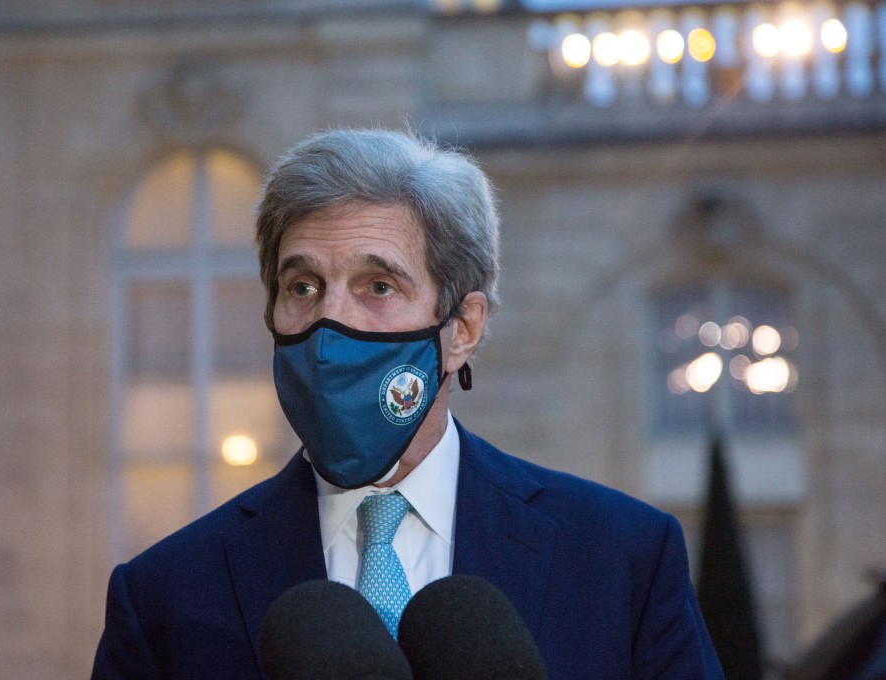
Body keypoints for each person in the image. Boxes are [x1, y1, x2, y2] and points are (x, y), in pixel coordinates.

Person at [91, 129, 724, 679]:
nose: (329, 320)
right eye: (303, 286)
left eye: (378, 286)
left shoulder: (622, 560)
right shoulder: (164, 598)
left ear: (461, 329)